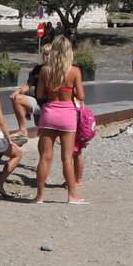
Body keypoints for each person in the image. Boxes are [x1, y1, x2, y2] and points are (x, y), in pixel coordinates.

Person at [34, 36, 88, 204]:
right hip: (67, 114)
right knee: (67, 157)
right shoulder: (74, 71)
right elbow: (81, 96)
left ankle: (39, 196)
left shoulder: (45, 70)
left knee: (44, 157)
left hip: (50, 112)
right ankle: (72, 195)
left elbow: (40, 95)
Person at [11, 42, 51, 139]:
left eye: (47, 54)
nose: (45, 57)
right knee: (16, 99)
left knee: (45, 135)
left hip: (51, 104)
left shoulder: (57, 70)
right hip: (38, 102)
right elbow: (28, 85)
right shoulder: (37, 69)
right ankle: (23, 130)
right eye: (43, 54)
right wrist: (18, 90)